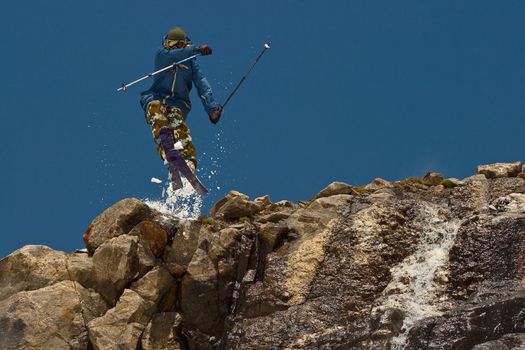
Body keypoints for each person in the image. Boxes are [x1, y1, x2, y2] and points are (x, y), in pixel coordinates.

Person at [140, 27, 222, 172]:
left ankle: (188, 161)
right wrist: (196, 49)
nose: (174, 48)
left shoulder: (190, 63)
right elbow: (173, 56)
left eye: (178, 45)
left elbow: (202, 83)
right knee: (157, 114)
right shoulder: (162, 54)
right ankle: (169, 154)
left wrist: (212, 108)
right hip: (156, 97)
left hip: (178, 103)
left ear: (184, 44)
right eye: (171, 45)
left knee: (178, 126)